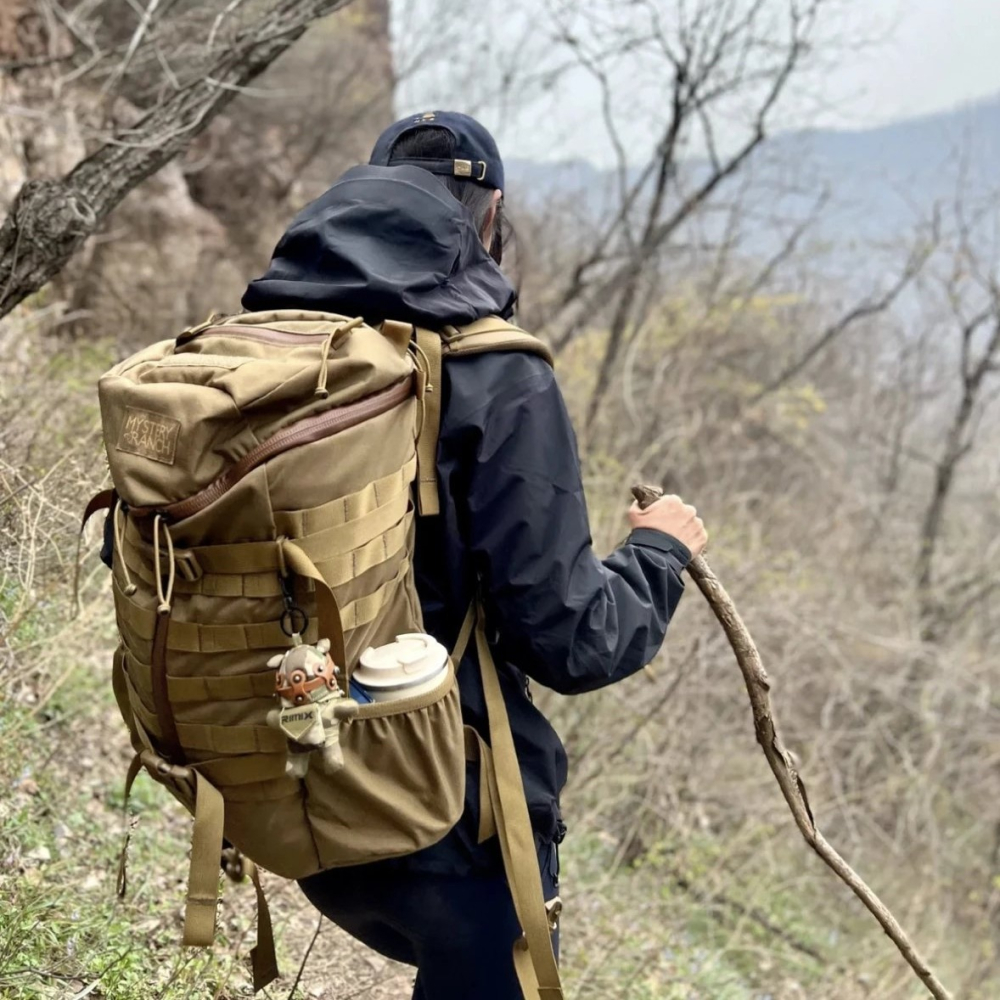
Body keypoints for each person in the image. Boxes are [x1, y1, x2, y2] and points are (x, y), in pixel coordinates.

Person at [240, 111, 708, 1000]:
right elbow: (573, 640)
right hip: (444, 812)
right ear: (485, 214)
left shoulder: (265, 351)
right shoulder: (497, 373)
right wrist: (658, 555)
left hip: (289, 781)